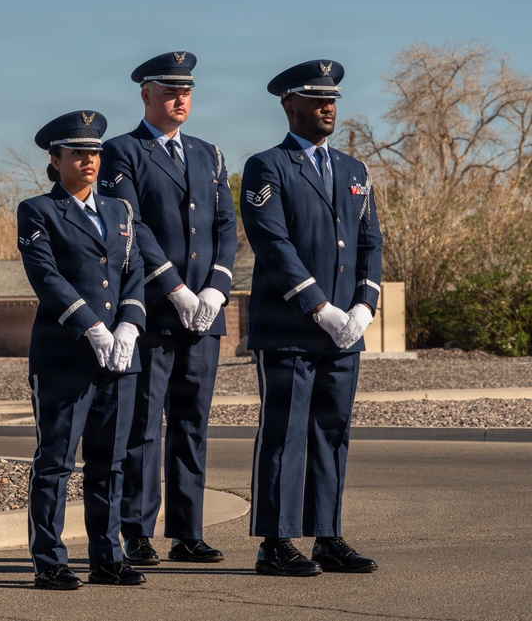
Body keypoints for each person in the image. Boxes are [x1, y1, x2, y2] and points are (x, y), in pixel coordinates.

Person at [241, 59, 382, 576]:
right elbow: (273, 244)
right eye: (316, 98)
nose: (327, 106)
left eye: (333, 100)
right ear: (288, 104)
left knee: (332, 430)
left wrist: (364, 306)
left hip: (346, 331)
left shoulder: (353, 170)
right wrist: (319, 308)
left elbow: (370, 242)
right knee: (285, 432)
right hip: (292, 328)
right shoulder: (268, 166)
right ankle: (275, 542)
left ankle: (327, 534)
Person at [98, 52, 237, 566]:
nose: (181, 99)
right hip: (157, 310)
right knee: (144, 424)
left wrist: (216, 289)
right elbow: (133, 227)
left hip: (205, 311)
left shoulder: (209, 154)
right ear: (146, 95)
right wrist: (175, 288)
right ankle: (136, 530)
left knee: (192, 422)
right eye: (170, 91)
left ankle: (188, 531)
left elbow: (226, 227)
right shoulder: (122, 152)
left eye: (187, 91)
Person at [18, 110, 147, 590]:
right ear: (55, 160)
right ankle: (49, 559)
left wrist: (130, 325)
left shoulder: (120, 211)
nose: (89, 160)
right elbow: (47, 277)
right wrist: (92, 326)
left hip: (120, 356)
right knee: (55, 461)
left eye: (94, 152)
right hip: (66, 356)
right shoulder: (38, 211)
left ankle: (107, 555)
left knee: (110, 461)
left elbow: (133, 272)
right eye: (77, 153)